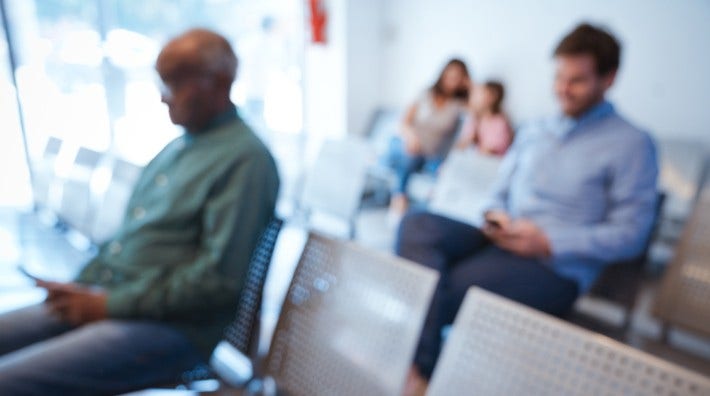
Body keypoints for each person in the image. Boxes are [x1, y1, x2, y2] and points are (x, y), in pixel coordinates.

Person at [0, 29, 280, 395]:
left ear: (217, 83)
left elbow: (215, 283)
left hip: (170, 328)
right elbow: (127, 240)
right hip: (116, 299)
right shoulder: (177, 149)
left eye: (175, 85)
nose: (164, 98)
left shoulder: (246, 160)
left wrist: (108, 305)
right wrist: (82, 285)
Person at [397, 23, 659, 395]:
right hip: (502, 237)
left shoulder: (631, 144)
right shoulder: (536, 130)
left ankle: (420, 374)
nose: (562, 89)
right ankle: (425, 372)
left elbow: (632, 234)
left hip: (552, 265)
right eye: (559, 77)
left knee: (444, 287)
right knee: (416, 225)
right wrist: (495, 216)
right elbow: (497, 192)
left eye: (577, 80)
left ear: (609, 78)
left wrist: (550, 241)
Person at [387, 58, 471, 215]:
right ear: (442, 75)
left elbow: (479, 108)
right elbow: (402, 123)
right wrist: (411, 138)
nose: (451, 81)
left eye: (457, 77)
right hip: (405, 143)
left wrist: (471, 86)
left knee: (444, 171)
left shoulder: (459, 104)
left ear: (463, 80)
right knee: (410, 155)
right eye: (449, 76)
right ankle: (398, 200)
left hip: (430, 153)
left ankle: (426, 213)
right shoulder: (425, 94)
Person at [456, 80, 513, 155]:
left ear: (491, 97)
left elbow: (488, 152)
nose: (472, 98)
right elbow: (462, 145)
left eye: (478, 94)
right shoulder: (475, 119)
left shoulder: (499, 123)